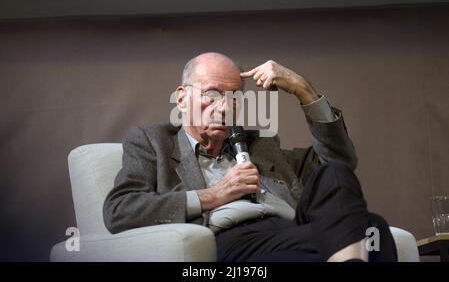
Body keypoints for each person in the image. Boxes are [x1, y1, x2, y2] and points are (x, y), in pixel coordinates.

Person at [103, 52, 397, 262]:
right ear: (181, 98)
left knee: (368, 220)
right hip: (234, 240)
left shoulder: (260, 146)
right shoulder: (153, 141)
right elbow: (120, 210)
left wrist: (303, 90)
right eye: (212, 94)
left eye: (232, 97)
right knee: (370, 233)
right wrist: (216, 194)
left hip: (290, 228)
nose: (222, 107)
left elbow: (340, 163)